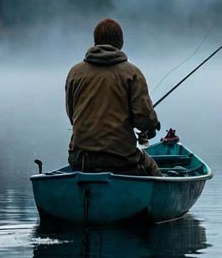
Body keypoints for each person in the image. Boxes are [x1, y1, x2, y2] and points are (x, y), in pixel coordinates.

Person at [65, 18, 162, 176]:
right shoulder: (132, 73)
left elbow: (72, 116)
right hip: (121, 159)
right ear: (120, 42)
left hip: (80, 159)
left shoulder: (75, 73)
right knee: (151, 168)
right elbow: (144, 118)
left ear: (96, 41)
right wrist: (151, 127)